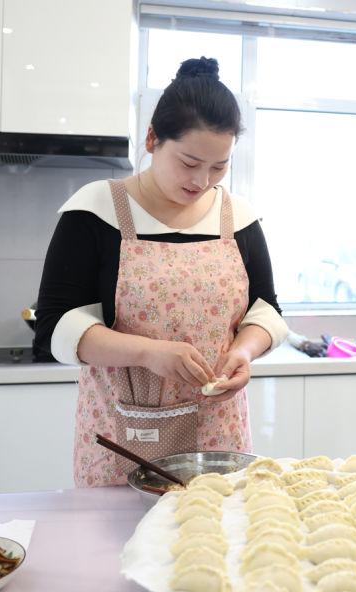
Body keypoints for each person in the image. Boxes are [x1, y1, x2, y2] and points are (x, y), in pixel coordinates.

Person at [35, 57, 288, 487]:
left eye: (219, 166)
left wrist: (244, 352)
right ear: (152, 138)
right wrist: (148, 353)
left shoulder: (238, 218)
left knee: (214, 526)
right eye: (189, 162)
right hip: (123, 434)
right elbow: (54, 327)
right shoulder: (96, 211)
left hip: (217, 435)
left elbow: (265, 311)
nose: (202, 181)